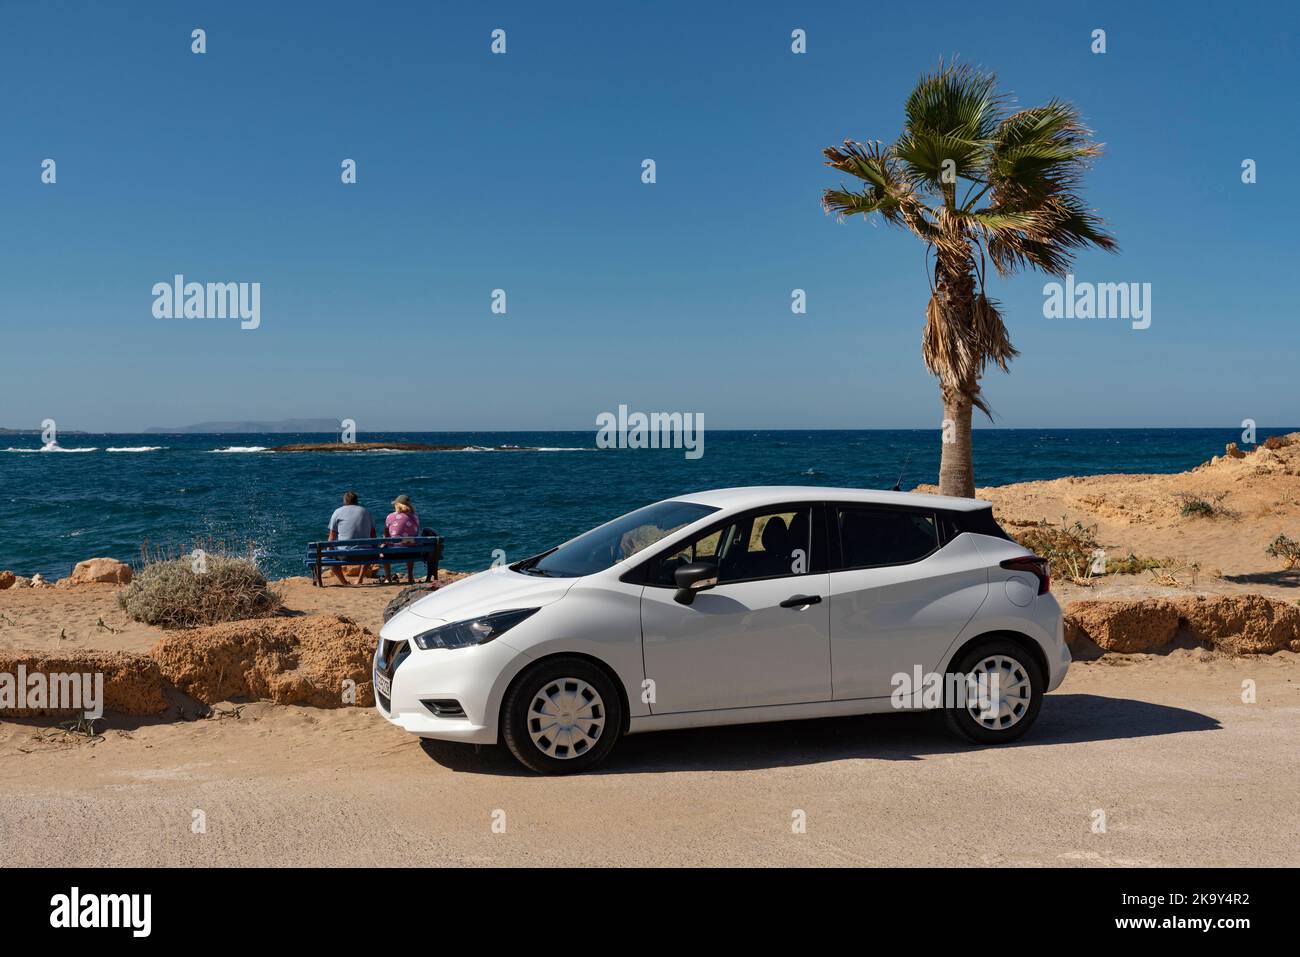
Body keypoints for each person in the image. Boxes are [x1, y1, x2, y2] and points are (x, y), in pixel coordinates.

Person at [327, 490, 377, 586]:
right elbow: (373, 534)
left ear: (344, 501)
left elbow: (332, 536)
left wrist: (329, 551)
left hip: (345, 555)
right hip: (365, 554)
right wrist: (375, 549)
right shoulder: (366, 511)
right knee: (368, 549)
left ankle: (344, 582)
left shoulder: (337, 512)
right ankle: (360, 579)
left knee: (331, 561)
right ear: (356, 501)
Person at [383, 494, 421, 584]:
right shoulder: (415, 517)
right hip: (411, 554)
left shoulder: (390, 516)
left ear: (398, 505)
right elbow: (416, 533)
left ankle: (388, 577)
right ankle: (410, 576)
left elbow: (386, 535)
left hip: (393, 553)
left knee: (384, 547)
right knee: (410, 545)